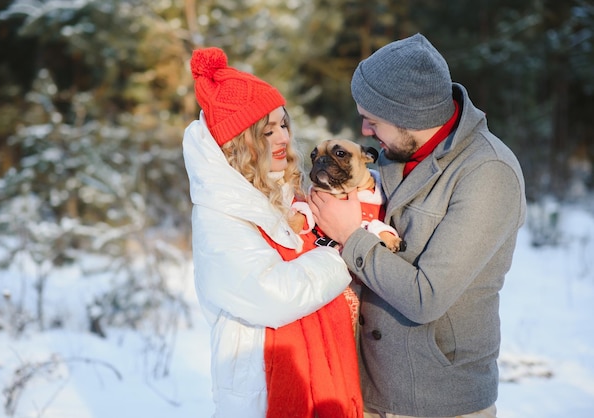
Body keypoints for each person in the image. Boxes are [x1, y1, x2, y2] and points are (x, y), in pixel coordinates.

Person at [308, 33, 526, 418]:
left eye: (372, 121)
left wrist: (350, 236)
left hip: (436, 400)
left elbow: (427, 297)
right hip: (369, 386)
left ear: (409, 116)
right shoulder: (396, 156)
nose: (365, 132)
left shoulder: (487, 172)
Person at [183, 47, 363, 418]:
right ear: (238, 144)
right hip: (263, 395)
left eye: (284, 125)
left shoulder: (281, 194)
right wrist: (345, 246)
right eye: (267, 130)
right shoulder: (219, 216)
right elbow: (273, 295)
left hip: (321, 377)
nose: (283, 137)